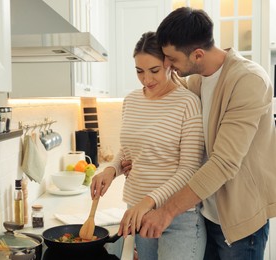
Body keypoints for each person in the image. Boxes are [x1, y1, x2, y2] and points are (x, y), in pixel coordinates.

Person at [121, 7, 276, 260]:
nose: (167, 64)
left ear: (198, 54)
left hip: (238, 220)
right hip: (205, 212)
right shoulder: (196, 81)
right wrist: (139, 160)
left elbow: (224, 162)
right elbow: (179, 137)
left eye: (171, 58)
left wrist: (166, 212)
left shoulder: (248, 80)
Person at [91, 31, 206, 260]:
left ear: (169, 64)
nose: (146, 79)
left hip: (178, 218)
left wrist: (147, 202)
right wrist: (111, 170)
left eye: (154, 70)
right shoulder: (131, 101)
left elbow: (189, 170)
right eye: (139, 71)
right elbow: (129, 150)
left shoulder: (188, 103)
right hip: (137, 215)